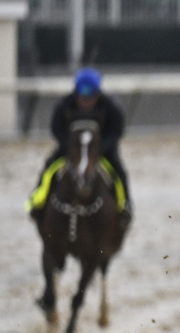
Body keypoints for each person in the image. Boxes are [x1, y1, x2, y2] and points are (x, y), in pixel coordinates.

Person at [28, 67, 132, 225]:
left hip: (102, 150)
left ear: (98, 93)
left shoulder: (111, 107)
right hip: (72, 148)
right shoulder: (64, 104)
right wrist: (70, 147)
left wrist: (99, 149)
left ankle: (125, 205)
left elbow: (116, 131)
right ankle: (38, 200)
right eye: (82, 97)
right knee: (49, 169)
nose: (86, 101)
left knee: (119, 172)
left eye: (90, 97)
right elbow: (56, 129)